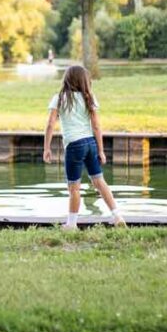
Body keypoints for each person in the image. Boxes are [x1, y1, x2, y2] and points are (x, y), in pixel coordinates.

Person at [43, 65, 127, 230]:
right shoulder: (89, 97)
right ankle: (117, 216)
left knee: (74, 187)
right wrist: (101, 150)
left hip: (74, 146)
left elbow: (50, 124)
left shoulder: (59, 98)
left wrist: (46, 148)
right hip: (90, 143)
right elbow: (96, 126)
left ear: (66, 80)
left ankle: (72, 224)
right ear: (84, 81)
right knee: (99, 182)